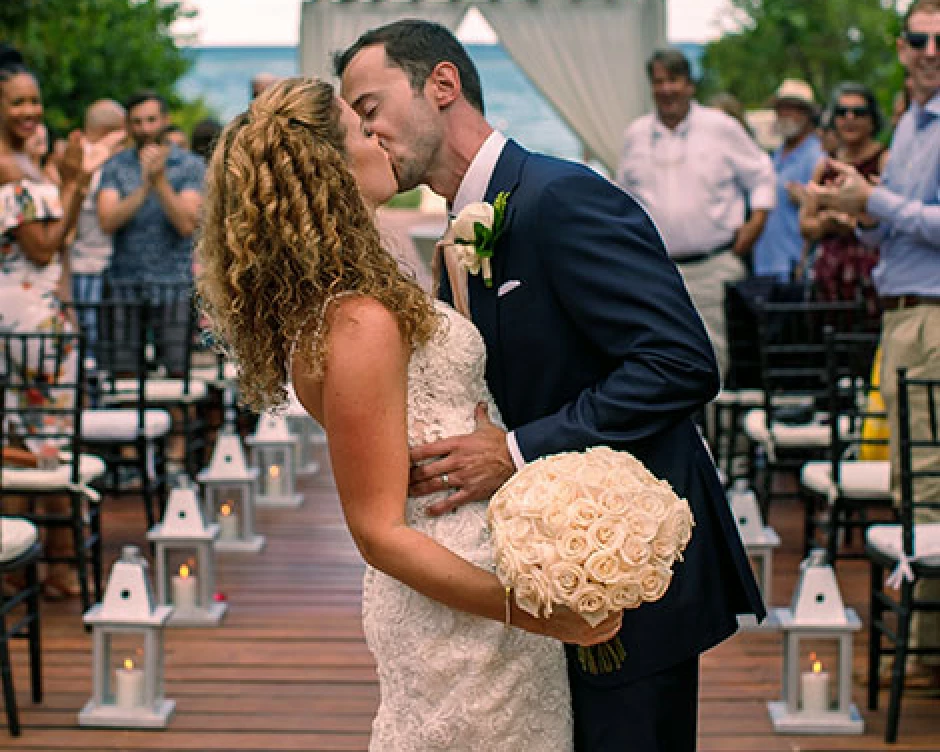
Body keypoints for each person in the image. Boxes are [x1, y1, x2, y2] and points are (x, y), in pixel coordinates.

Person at [337, 20, 764, 752]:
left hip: (631, 570)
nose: (368, 134)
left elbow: (681, 361)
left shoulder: (561, 196)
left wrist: (516, 448)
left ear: (442, 85)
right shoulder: (456, 232)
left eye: (370, 108)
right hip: (543, 577)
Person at [196, 77, 621, 752]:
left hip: (483, 576)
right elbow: (378, 533)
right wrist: (540, 617)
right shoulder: (357, 320)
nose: (380, 136)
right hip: (461, 601)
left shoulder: (352, 298)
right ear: (331, 169)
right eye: (362, 129)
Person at [809, 0, 940, 691]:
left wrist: (876, 203)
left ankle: (925, 647)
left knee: (930, 479)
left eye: (939, 40)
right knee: (909, 479)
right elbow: (893, 229)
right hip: (901, 314)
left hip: (934, 318)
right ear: (901, 46)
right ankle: (921, 640)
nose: (930, 50)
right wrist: (857, 208)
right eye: (919, 38)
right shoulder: (913, 124)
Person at [618, 48, 775, 380]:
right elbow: (624, 200)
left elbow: (761, 173)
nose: (666, 89)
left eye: (673, 80)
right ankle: (680, 431)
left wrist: (757, 222)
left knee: (712, 356)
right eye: (659, 81)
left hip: (713, 264)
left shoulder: (721, 127)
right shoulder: (636, 135)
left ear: (689, 85)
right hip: (657, 269)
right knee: (657, 354)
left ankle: (714, 431)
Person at [0, 56, 92, 599]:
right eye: (19, 101)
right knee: (49, 439)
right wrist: (76, 182)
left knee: (22, 436)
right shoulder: (10, 169)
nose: (31, 110)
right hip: (27, 319)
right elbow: (42, 246)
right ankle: (56, 567)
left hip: (27, 312)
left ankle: (25, 569)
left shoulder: (20, 163)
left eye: (35, 100)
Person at [799, 82, 889, 318]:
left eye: (859, 112)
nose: (849, 119)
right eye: (841, 112)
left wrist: (854, 222)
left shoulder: (884, 161)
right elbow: (805, 225)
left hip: (873, 278)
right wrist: (826, 223)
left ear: (872, 120)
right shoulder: (824, 166)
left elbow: (895, 218)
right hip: (829, 279)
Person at [97, 90, 204, 285]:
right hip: (124, 282)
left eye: (151, 120)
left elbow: (187, 226)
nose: (145, 129)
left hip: (174, 283)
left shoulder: (190, 164)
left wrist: (159, 181)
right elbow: (107, 222)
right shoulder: (115, 165)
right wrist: (145, 186)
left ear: (165, 120)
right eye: (137, 122)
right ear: (128, 126)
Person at [752, 79, 826, 281]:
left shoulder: (817, 156)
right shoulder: (776, 155)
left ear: (807, 114)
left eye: (793, 109)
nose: (784, 115)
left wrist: (807, 199)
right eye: (781, 108)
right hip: (766, 264)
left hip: (795, 266)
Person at [69, 99, 126, 322]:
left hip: (89, 261)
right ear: (111, 132)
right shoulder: (95, 158)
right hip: (89, 262)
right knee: (90, 332)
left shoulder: (75, 153)